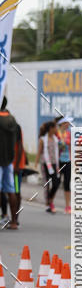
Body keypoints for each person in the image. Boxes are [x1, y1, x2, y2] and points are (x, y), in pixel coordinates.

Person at [0, 96, 18, 229]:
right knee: (11, 191)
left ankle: (4, 216)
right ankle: (13, 221)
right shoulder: (12, 120)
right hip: (9, 160)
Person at [36, 120, 60, 213]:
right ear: (51, 128)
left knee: (56, 183)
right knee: (47, 184)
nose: (56, 129)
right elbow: (39, 152)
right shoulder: (43, 139)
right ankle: (48, 203)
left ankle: (50, 199)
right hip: (45, 164)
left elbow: (57, 151)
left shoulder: (55, 139)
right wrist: (36, 164)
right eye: (55, 127)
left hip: (54, 164)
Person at [56, 117, 72, 213]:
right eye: (66, 123)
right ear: (62, 124)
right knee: (56, 183)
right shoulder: (56, 134)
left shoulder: (69, 134)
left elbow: (71, 147)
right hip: (58, 161)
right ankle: (51, 202)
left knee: (67, 183)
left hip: (68, 160)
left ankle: (67, 206)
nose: (68, 125)